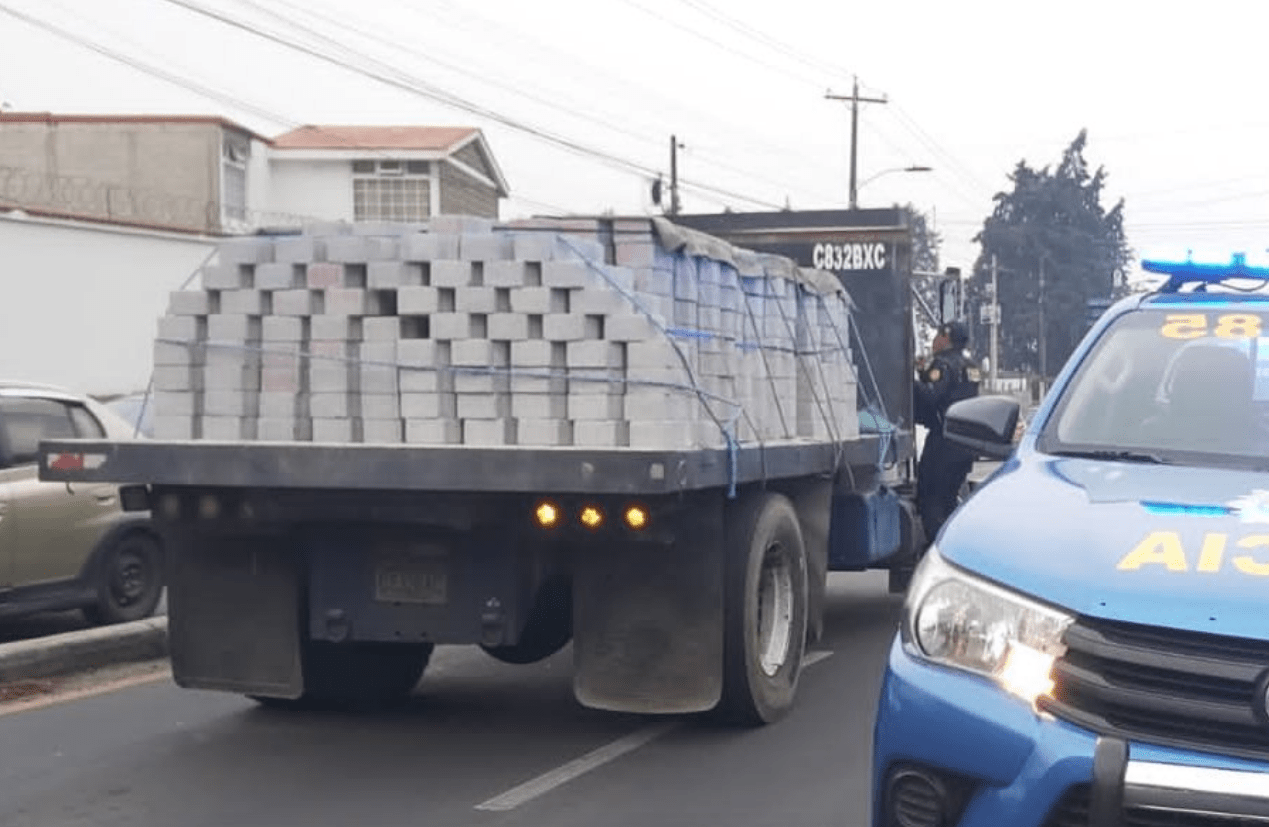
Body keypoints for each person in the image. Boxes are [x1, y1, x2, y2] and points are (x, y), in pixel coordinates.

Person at [913, 320, 980, 545]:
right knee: (949, 499)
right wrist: (924, 372)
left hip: (943, 442)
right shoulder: (971, 366)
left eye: (937, 336)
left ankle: (938, 549)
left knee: (930, 498)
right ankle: (955, 543)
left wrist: (911, 382)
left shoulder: (942, 364)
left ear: (945, 338)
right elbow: (954, 393)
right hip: (965, 442)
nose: (934, 341)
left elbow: (932, 396)